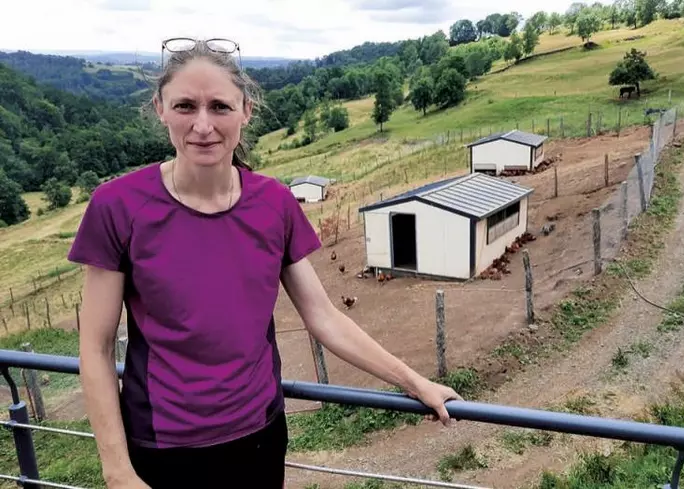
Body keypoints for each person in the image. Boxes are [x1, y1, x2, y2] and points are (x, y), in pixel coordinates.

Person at [68, 37, 462, 489]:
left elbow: (325, 318)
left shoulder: (273, 203)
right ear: (160, 108)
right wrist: (117, 470)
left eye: (219, 107)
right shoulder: (117, 207)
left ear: (245, 112)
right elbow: (95, 349)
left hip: (260, 436)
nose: (202, 125)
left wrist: (416, 384)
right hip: (162, 448)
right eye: (184, 107)